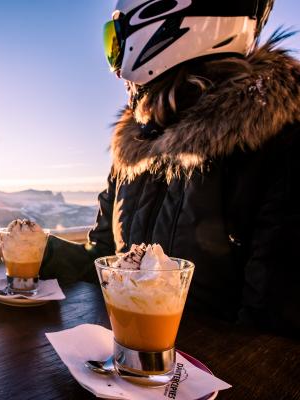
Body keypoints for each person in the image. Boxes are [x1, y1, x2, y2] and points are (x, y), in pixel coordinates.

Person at [39, 0, 300, 335]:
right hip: (128, 360)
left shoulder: (281, 147)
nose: (117, 68)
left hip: (205, 379)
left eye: (115, 40)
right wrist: (45, 252)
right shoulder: (133, 154)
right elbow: (107, 260)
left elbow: (274, 340)